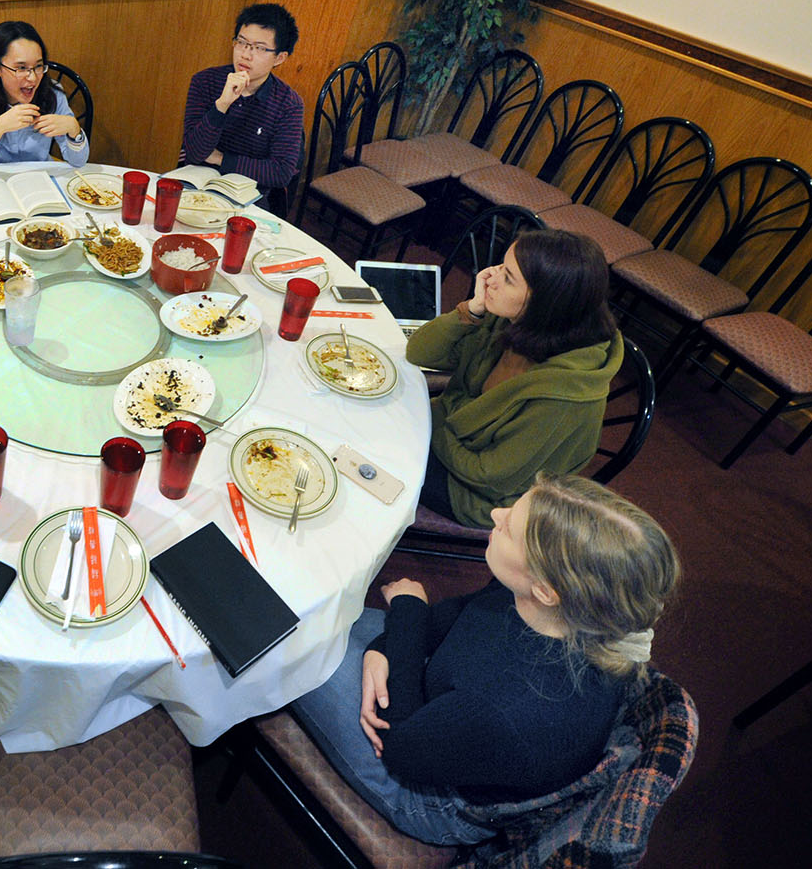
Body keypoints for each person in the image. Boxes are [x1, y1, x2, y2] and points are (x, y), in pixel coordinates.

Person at [291, 474, 679, 846]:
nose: (497, 514)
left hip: (430, 793)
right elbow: (464, 614)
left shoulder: (512, 708)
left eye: (510, 527)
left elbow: (401, 748)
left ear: (545, 590)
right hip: (443, 714)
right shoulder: (551, 608)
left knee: (292, 642)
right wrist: (385, 644)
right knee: (318, 609)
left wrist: (407, 615)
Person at [406, 229, 623, 528]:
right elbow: (419, 352)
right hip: (456, 440)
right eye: (501, 265)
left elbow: (489, 479)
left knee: (373, 450)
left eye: (507, 277)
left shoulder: (563, 398)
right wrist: (472, 309)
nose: (489, 277)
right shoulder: (513, 318)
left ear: (545, 303)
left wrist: (430, 417)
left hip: (478, 496)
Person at [180, 2, 304, 198]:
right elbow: (195, 152)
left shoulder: (289, 104)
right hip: (194, 183)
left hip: (248, 195)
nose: (245, 54)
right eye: (242, 42)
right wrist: (222, 105)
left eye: (259, 48)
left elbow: (280, 173)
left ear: (279, 58)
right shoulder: (205, 81)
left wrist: (220, 158)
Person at [0, 20, 89, 176]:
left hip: (39, 180)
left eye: (38, 66)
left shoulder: (51, 92)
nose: (32, 78)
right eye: (21, 68)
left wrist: (74, 130)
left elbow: (78, 161)